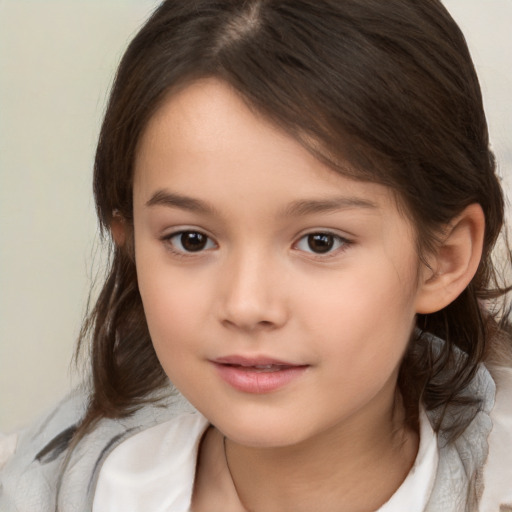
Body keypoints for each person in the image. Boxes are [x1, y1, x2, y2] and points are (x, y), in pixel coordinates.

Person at [1, 0, 512, 510]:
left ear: (443, 258)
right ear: (131, 242)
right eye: (191, 240)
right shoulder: (44, 486)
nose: (246, 305)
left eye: (320, 242)